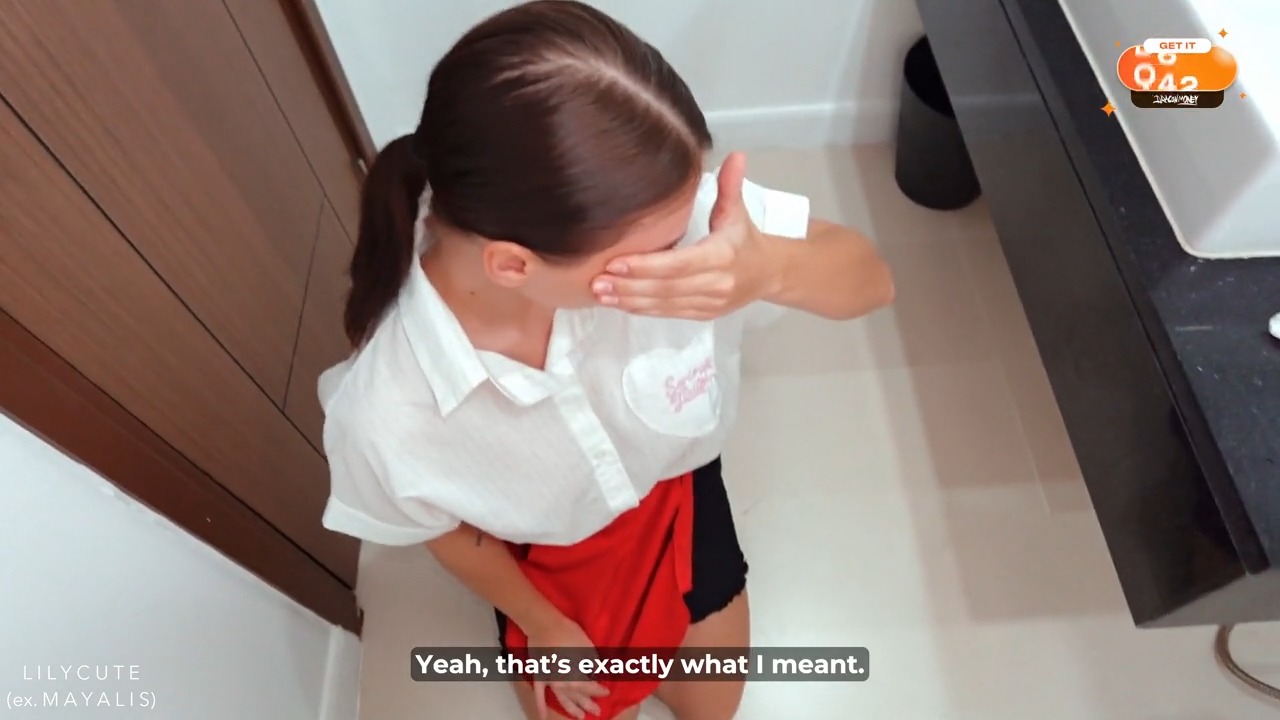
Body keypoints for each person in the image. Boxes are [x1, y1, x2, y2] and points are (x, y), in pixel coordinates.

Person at [318, 2, 894, 718]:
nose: (686, 254)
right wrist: (544, 624)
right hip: (547, 559)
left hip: (678, 490)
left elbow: (871, 278)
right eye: (656, 252)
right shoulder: (389, 412)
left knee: (713, 705)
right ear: (514, 265)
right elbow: (439, 526)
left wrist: (767, 269)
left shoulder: (678, 218)